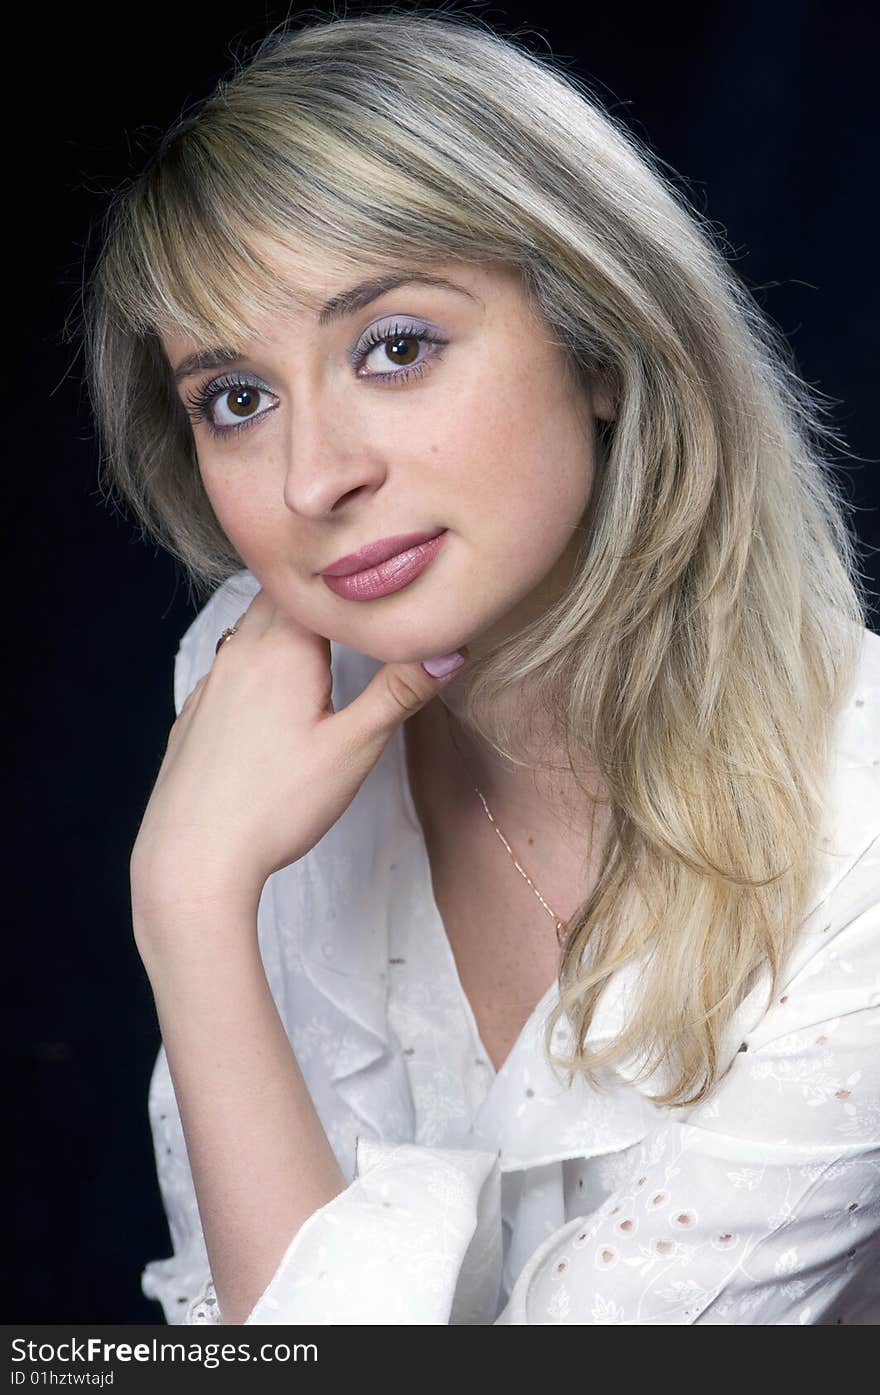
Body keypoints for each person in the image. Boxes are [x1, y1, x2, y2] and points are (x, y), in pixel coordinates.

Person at [78, 9, 879, 1324]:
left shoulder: (863, 845)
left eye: (395, 346)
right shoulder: (258, 685)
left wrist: (183, 902)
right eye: (237, 396)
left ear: (602, 341)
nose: (314, 477)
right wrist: (190, 907)